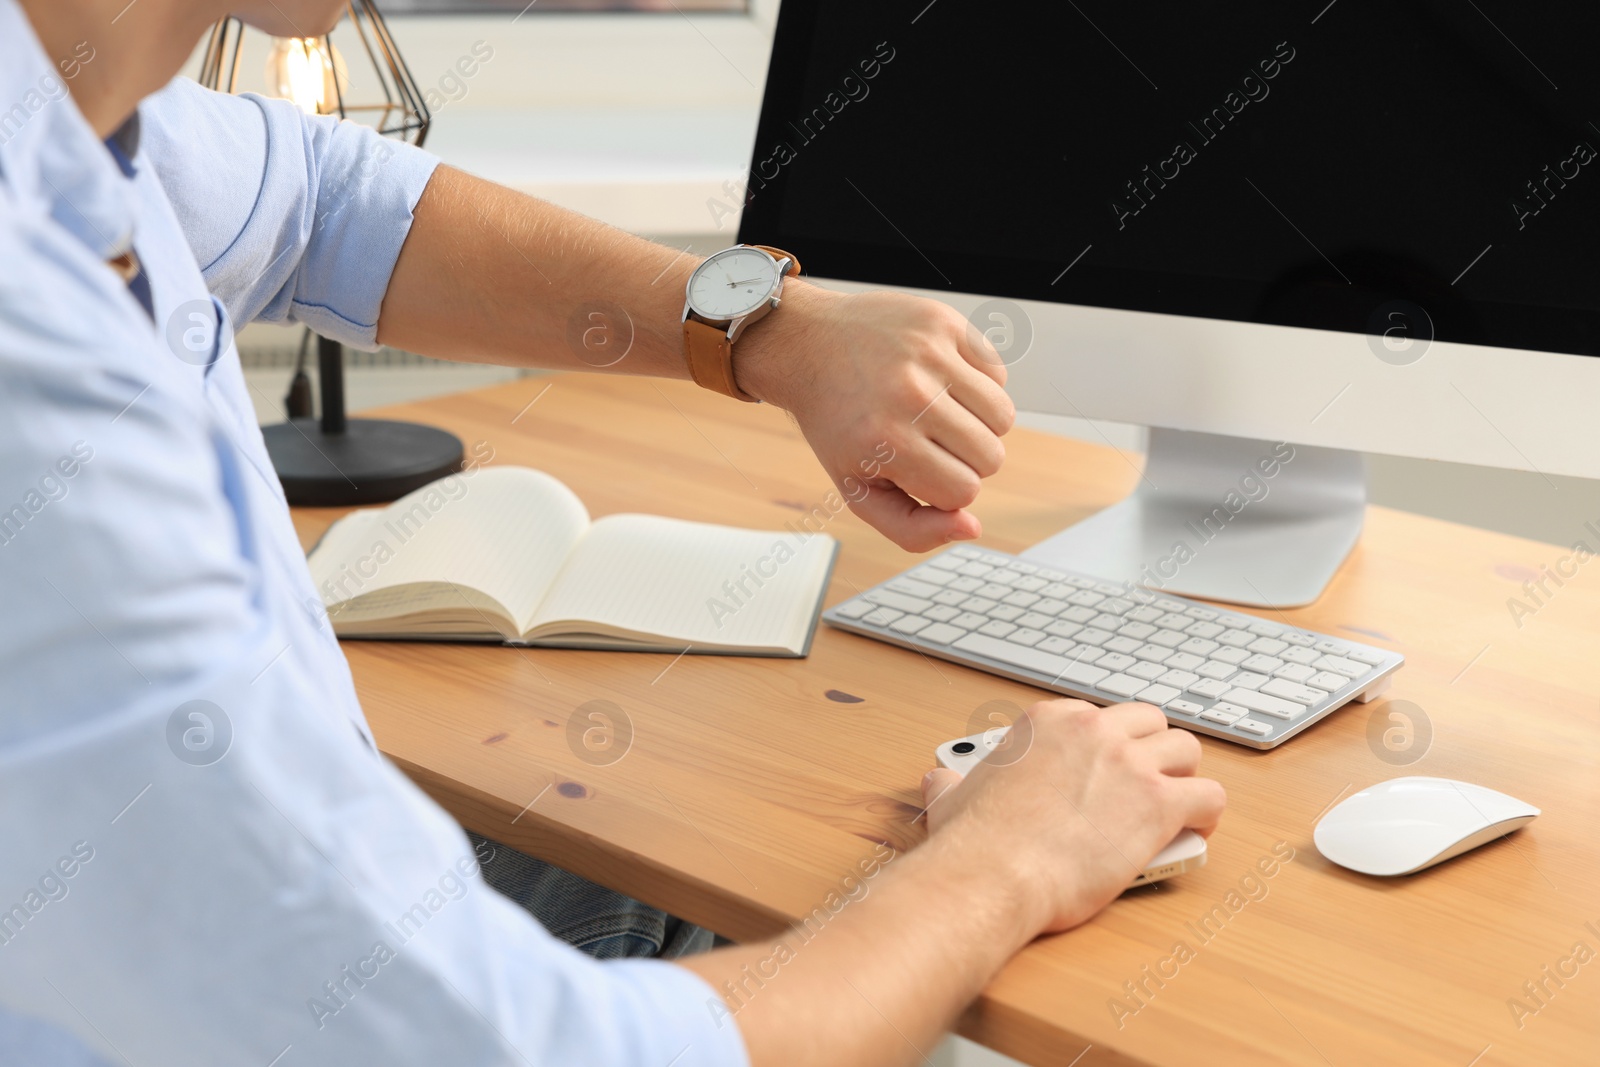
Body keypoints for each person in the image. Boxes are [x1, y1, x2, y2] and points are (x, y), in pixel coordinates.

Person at [0, 0, 1227, 1063]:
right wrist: (1009, 859)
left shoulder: (78, 117)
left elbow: (326, 198)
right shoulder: (36, 391)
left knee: (704, 860)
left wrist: (769, 331)